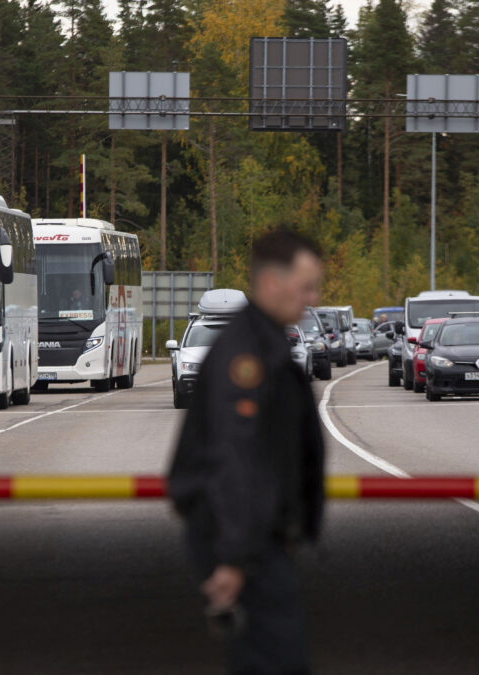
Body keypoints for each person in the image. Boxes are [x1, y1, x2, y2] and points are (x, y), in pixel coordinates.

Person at [168, 230, 326, 675]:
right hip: (244, 543)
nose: (312, 297)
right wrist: (234, 559)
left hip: (252, 538)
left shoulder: (263, 341)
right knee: (277, 659)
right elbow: (236, 458)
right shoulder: (247, 356)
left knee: (262, 659)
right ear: (273, 283)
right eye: (306, 285)